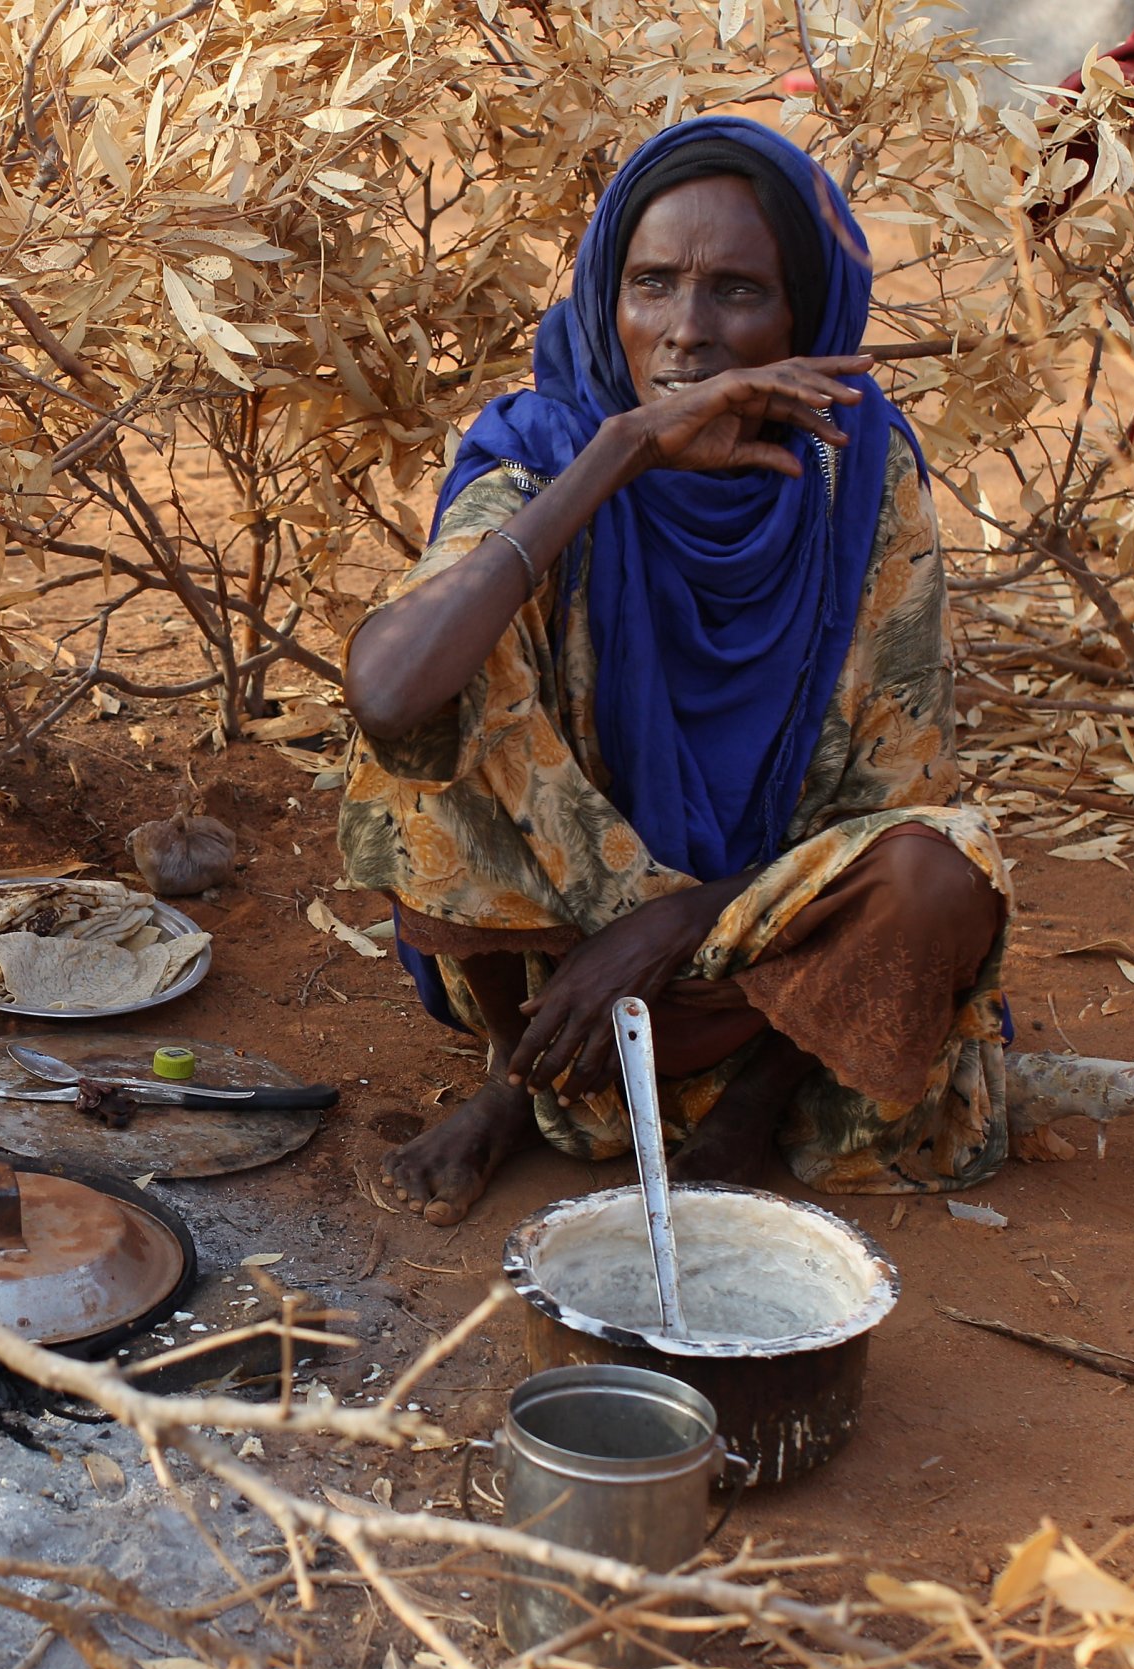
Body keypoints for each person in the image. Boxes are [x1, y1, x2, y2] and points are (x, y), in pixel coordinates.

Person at [339, 115, 1012, 1227]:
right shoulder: (548, 442)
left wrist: (667, 925)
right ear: (606, 292)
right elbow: (391, 690)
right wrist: (621, 451)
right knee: (444, 682)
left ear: (807, 314)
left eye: (738, 292)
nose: (685, 333)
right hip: (556, 960)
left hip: (763, 961)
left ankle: (740, 1124)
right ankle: (520, 1085)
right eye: (650, 283)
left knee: (939, 872)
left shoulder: (862, 476)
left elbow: (896, 793)